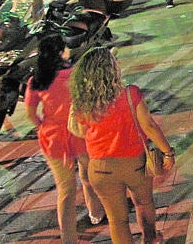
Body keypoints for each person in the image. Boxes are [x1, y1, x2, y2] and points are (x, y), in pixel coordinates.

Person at [68, 48, 174, 244]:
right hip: (134, 163)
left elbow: (80, 132)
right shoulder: (130, 94)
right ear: (112, 71)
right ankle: (150, 239)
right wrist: (167, 152)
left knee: (117, 221)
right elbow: (149, 126)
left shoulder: (81, 104)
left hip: (100, 169)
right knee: (144, 203)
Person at [25, 35, 104, 244]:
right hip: (80, 133)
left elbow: (31, 114)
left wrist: (44, 125)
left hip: (53, 140)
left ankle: (68, 238)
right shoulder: (76, 75)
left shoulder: (36, 80)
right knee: (89, 177)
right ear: (61, 52)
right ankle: (95, 211)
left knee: (66, 190)